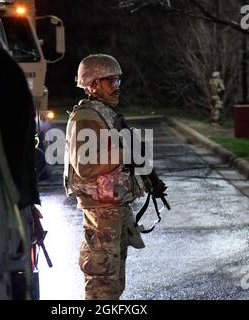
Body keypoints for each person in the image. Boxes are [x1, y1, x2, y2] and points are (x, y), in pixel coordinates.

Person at [63, 54, 167, 300]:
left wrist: (148, 177)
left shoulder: (105, 114)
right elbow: (85, 166)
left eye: (118, 80)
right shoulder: (86, 117)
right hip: (101, 213)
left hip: (114, 208)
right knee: (102, 286)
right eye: (110, 81)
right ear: (92, 85)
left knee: (114, 284)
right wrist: (124, 150)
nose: (117, 86)